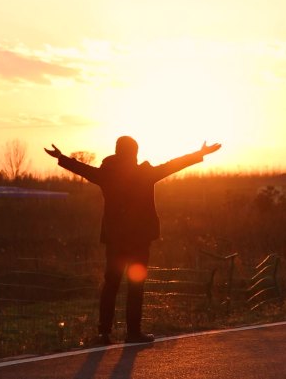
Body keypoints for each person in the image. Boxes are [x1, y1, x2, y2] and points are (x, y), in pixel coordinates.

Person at [45, 136, 221, 344]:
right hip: (139, 240)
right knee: (135, 286)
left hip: (115, 241)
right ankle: (133, 333)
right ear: (134, 152)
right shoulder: (144, 174)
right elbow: (174, 165)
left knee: (111, 285)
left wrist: (62, 157)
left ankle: (104, 334)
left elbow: (82, 169)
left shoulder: (106, 174)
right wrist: (199, 154)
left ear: (117, 151)